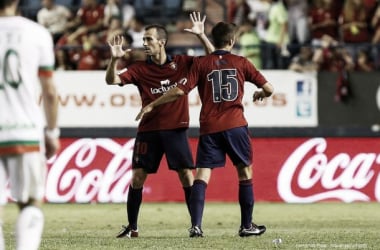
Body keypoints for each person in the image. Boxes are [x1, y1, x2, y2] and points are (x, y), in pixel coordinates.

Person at [136, 21, 274, 238]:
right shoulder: (242, 62)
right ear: (232, 41)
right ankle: (246, 225)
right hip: (236, 124)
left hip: (209, 127)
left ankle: (196, 226)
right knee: (244, 172)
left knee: (201, 176)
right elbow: (269, 88)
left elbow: (180, 91)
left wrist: (153, 103)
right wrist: (260, 95)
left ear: (215, 39)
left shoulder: (202, 64)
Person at [105, 11, 214, 238]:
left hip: (176, 129)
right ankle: (132, 227)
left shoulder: (183, 63)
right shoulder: (139, 68)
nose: (144, 44)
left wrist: (202, 37)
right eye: (143, 40)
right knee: (137, 177)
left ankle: (196, 225)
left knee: (186, 175)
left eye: (149, 40)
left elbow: (213, 58)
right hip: (148, 131)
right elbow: (112, 80)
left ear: (162, 42)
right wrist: (114, 60)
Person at [0, 0, 60, 249]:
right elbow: (49, 90)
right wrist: (53, 131)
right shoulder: (37, 33)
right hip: (25, 130)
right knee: (31, 203)